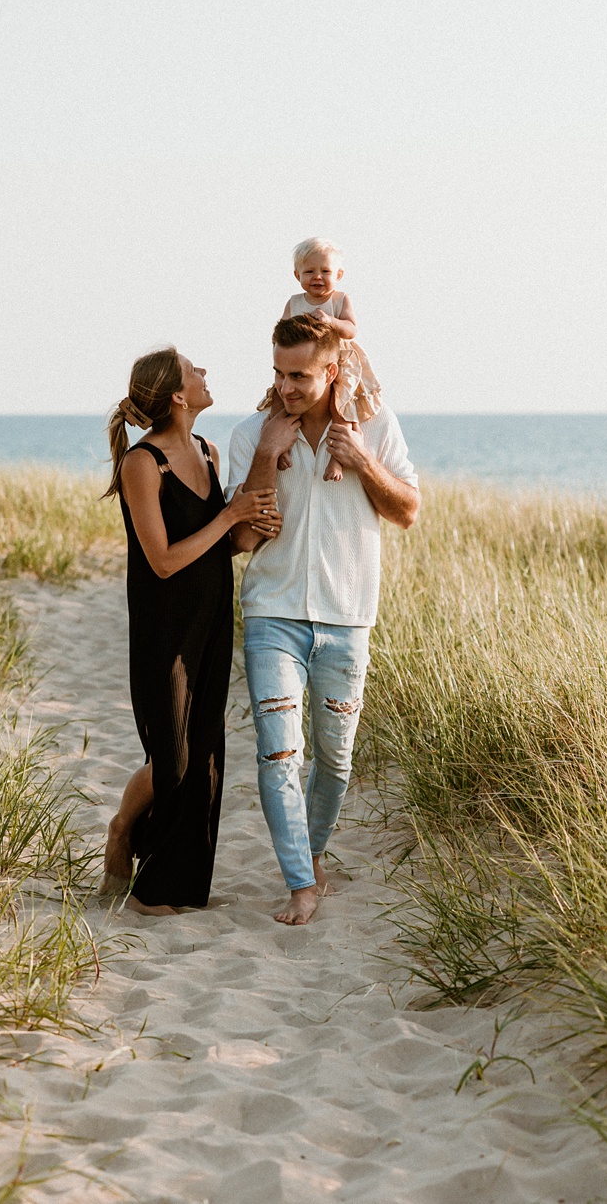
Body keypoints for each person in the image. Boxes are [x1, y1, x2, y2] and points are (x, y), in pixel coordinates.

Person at [229, 313, 420, 925]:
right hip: (271, 615)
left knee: (336, 760)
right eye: (280, 374)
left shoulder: (376, 426)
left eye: (302, 376)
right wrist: (265, 457)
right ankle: (300, 883)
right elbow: (240, 538)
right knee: (279, 754)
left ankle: (310, 856)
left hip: (347, 618)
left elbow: (409, 510)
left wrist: (363, 461)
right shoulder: (251, 434)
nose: (287, 387)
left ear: (332, 370)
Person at [99, 347, 280, 915]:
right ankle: (122, 832)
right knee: (171, 759)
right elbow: (163, 560)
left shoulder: (207, 450)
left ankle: (170, 889)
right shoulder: (141, 464)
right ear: (178, 396)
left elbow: (217, 547)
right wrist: (229, 516)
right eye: (193, 370)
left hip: (211, 619)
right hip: (163, 628)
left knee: (203, 758)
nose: (204, 373)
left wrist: (253, 527)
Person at [257, 239, 381, 482]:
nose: (317, 277)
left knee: (341, 408)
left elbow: (351, 329)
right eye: (309, 271)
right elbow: (281, 331)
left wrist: (330, 321)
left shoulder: (339, 300)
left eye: (325, 271)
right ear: (297, 275)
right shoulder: (294, 302)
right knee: (277, 406)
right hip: (303, 364)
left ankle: (337, 459)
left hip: (340, 362)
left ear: (339, 274)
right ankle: (279, 449)